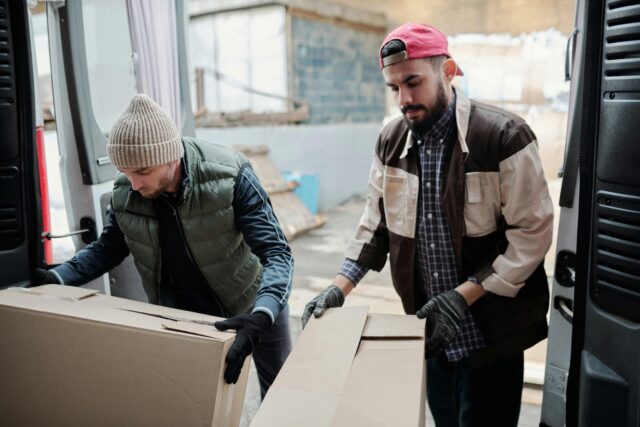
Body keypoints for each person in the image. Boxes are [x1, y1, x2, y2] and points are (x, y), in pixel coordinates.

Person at [302, 23, 553, 426]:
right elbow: (375, 223)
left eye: (413, 82)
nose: (404, 98)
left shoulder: (503, 136)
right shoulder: (390, 141)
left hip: (490, 336)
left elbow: (532, 235)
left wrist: (462, 297)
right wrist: (337, 287)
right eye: (394, 87)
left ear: (449, 70)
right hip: (431, 330)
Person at [31, 94, 293, 398]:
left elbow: (277, 253)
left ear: (172, 156)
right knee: (196, 401)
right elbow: (109, 248)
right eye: (126, 172)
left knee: (280, 396)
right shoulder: (126, 192)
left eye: (142, 172)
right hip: (189, 316)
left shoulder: (231, 176)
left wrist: (263, 315)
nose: (134, 183)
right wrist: (59, 277)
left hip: (255, 302)